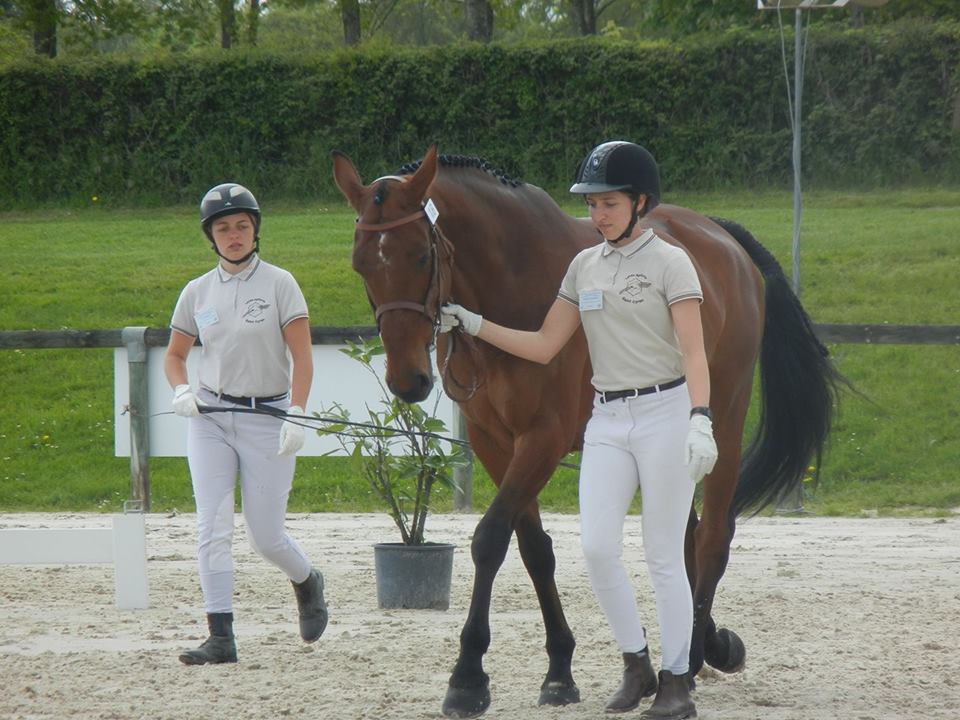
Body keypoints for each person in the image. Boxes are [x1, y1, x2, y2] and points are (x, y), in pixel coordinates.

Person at [441, 142, 716, 720]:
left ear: (641, 202)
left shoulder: (672, 262)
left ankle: (676, 680)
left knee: (663, 555)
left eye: (609, 204)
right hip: (608, 418)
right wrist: (474, 323)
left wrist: (701, 418)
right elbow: (544, 345)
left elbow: (694, 350)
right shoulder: (583, 266)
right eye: (592, 205)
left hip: (665, 412)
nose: (598, 216)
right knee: (596, 549)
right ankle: (636, 662)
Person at [164, 182, 328, 665]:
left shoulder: (280, 283)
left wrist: (297, 411)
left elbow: (302, 358)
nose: (233, 235)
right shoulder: (197, 292)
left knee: (265, 536)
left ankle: (307, 579)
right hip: (211, 417)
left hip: (268, 416)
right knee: (211, 525)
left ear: (255, 230)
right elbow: (175, 356)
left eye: (241, 226)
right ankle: (220, 636)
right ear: (210, 237)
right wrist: (182, 390)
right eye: (223, 228)